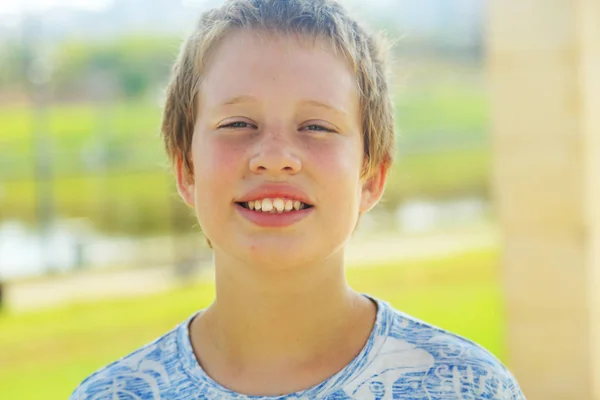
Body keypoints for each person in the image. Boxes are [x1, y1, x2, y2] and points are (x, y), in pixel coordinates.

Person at [70, 0, 526, 398]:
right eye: (237, 124)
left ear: (371, 176)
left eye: (317, 127)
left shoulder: (466, 387)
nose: (274, 158)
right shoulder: (112, 395)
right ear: (186, 170)